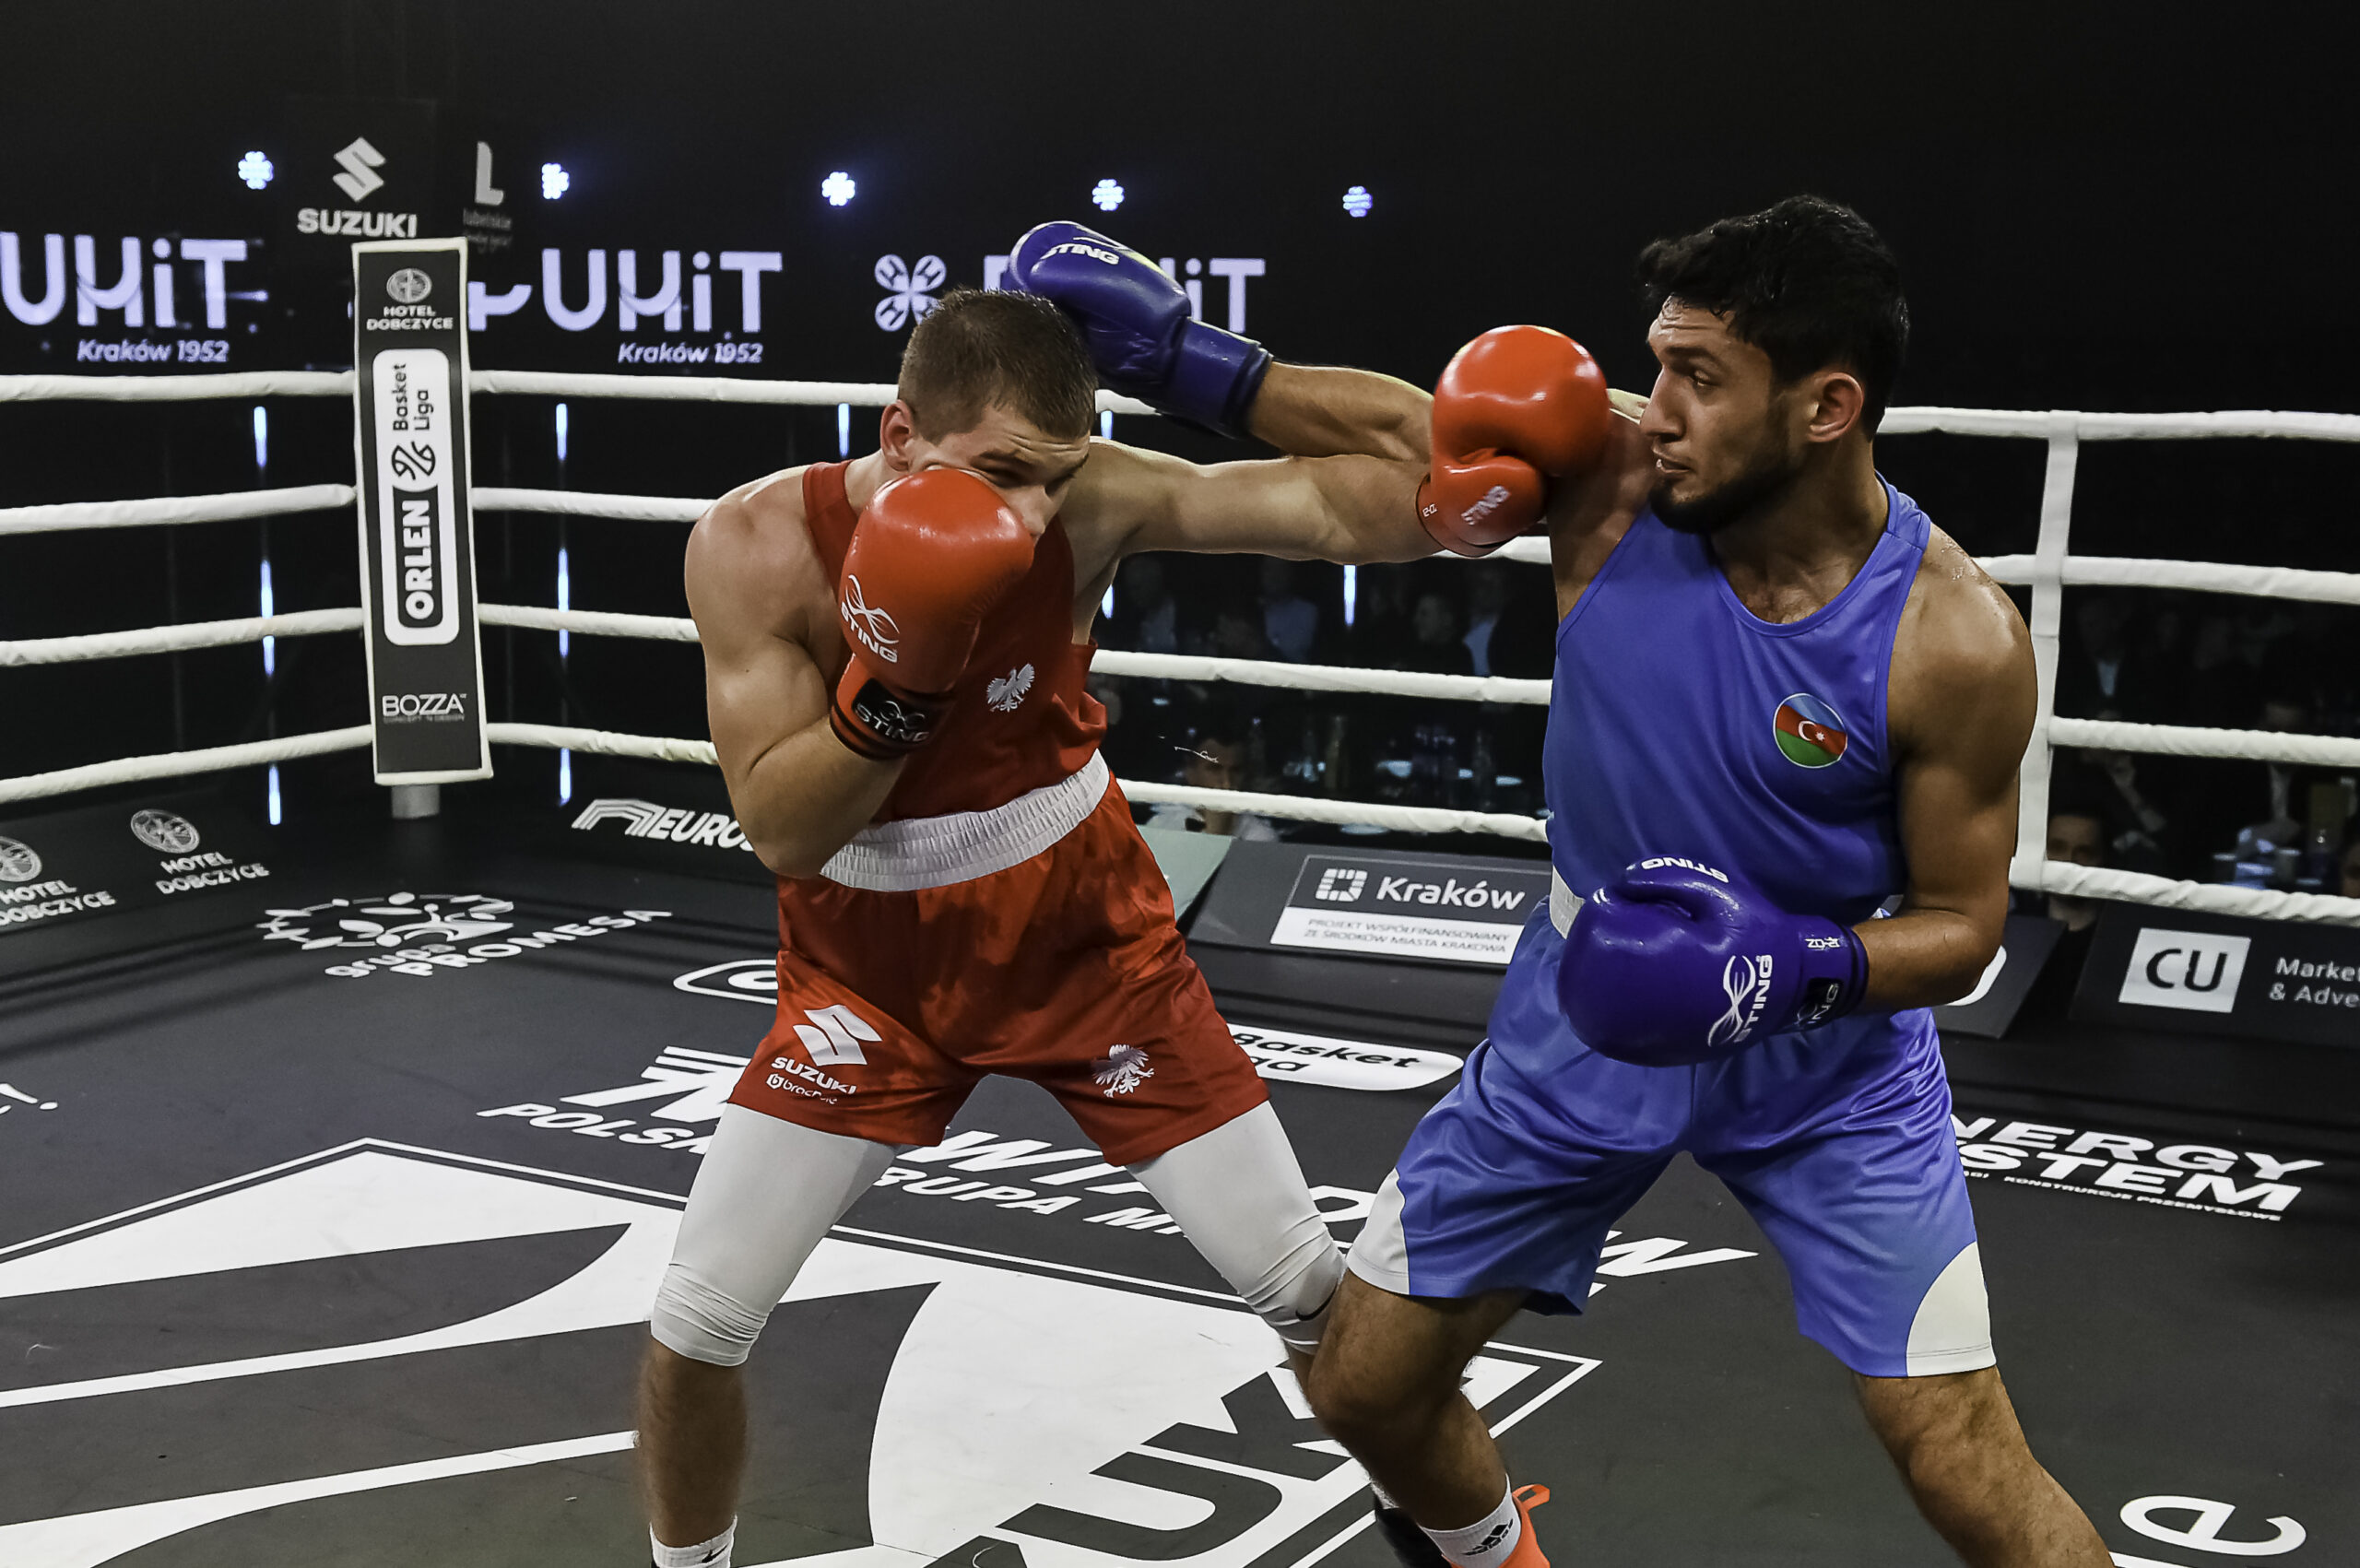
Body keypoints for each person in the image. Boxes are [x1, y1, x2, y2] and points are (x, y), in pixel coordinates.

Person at [1304, 196, 2111, 1568]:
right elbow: (1396, 426)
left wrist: (1791, 968)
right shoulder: (1621, 485)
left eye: (1700, 377)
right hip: (1580, 1016)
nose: (1657, 410)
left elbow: (1968, 929)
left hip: (1828, 1061)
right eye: (1658, 365)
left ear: (1827, 406)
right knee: (1367, 1385)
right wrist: (1190, 361)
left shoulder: (1952, 636)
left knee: (1963, 1462)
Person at [639, 225, 1440, 1568]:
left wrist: (1218, 374)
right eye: (999, 474)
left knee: (1311, 1294)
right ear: (899, 435)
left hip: (1084, 931)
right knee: (696, 1325)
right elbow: (783, 830)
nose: (1024, 520)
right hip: (867, 965)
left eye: (1051, 479)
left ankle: (1455, 1525)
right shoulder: (755, 543)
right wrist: (900, 683)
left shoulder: (1091, 499)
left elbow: (1390, 495)